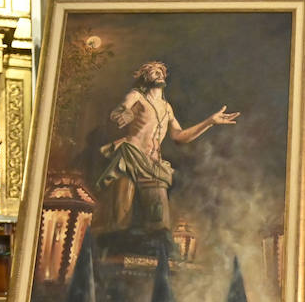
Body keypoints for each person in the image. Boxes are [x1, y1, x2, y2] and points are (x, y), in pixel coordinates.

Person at [93, 60, 239, 233]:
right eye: (154, 72)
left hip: (154, 163)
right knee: (121, 214)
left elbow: (179, 136)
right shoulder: (137, 96)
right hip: (131, 156)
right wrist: (125, 114)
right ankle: (114, 245)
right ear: (145, 78)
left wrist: (209, 122)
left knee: (159, 219)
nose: (159, 74)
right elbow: (118, 111)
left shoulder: (167, 108)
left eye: (161, 72)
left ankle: (158, 249)